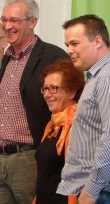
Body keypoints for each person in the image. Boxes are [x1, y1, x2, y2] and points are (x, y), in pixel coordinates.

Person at [0, 0, 68, 204]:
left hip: (30, 158)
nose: (7, 26)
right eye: (4, 20)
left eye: (14, 20)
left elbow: (67, 109)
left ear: (32, 22)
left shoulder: (52, 56)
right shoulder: (6, 58)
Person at [57, 15, 110, 204]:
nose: (69, 51)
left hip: (102, 192)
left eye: (74, 43)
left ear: (97, 41)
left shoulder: (105, 78)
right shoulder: (96, 76)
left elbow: (109, 137)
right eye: (67, 45)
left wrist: (92, 190)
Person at [33, 59, 84, 204]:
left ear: (72, 92)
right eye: (45, 88)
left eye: (54, 88)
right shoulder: (52, 125)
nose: (47, 94)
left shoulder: (79, 125)